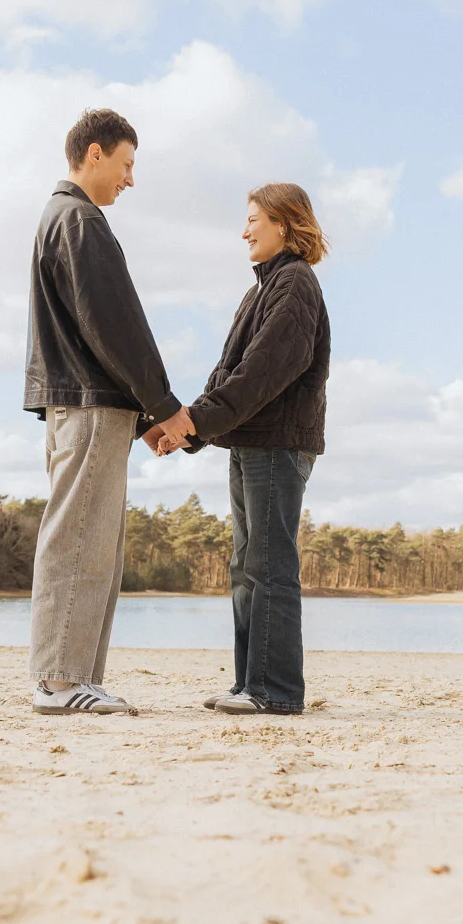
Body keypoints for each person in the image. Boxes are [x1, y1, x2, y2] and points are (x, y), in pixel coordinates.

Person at [24, 108, 194, 716]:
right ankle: (59, 682)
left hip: (91, 406)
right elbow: (113, 327)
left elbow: (90, 331)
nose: (130, 179)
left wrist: (143, 419)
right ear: (94, 153)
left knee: (95, 546)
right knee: (78, 541)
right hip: (89, 407)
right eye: (126, 164)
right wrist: (164, 407)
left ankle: (76, 679)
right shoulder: (78, 220)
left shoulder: (66, 219)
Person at [155, 183, 330, 716]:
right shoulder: (260, 291)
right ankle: (249, 685)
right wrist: (185, 429)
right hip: (251, 442)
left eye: (254, 219)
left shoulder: (295, 283)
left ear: (283, 223)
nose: (244, 231)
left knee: (270, 564)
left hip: (277, 444)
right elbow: (227, 372)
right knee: (246, 566)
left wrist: (195, 424)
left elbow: (264, 372)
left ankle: (275, 691)